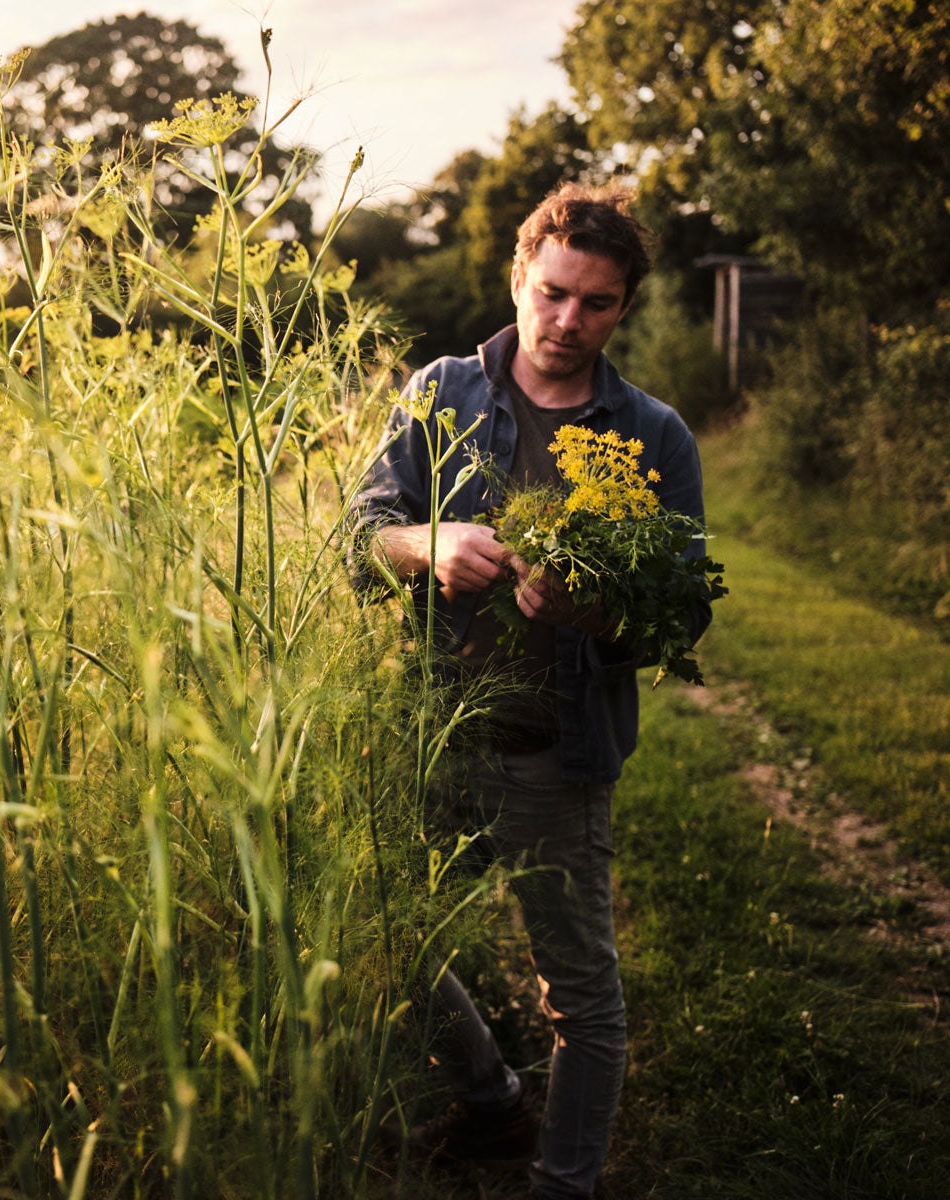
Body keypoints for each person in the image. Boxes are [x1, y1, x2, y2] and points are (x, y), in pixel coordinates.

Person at [350, 183, 712, 1200]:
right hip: (427, 727)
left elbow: (681, 617)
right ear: (517, 277)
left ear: (622, 308)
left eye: (595, 304)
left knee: (581, 997)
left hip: (557, 752)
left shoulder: (653, 435)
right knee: (388, 938)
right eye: (551, 293)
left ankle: (563, 1182)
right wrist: (426, 545)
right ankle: (488, 1099)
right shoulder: (439, 393)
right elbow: (355, 539)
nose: (566, 322)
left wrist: (593, 612)